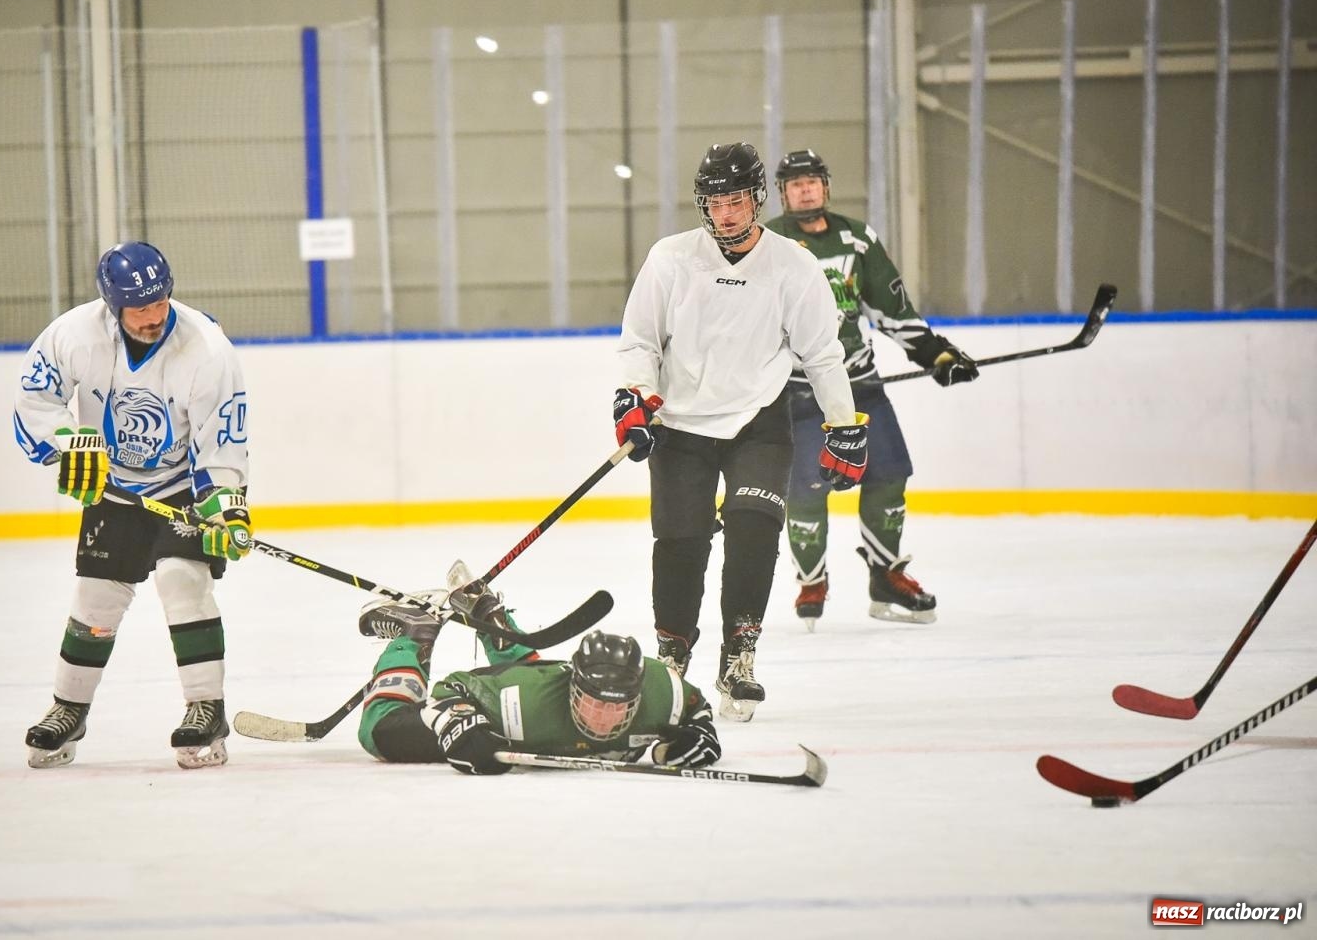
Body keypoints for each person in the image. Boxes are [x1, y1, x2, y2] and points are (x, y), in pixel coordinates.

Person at [615, 142, 867, 722]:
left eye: (735, 200)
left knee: (754, 534)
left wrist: (843, 425)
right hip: (680, 424)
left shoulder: (792, 265)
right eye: (714, 202)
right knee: (681, 543)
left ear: (756, 199)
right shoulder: (671, 258)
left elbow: (823, 354)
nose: (725, 214)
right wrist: (634, 397)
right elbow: (640, 340)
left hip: (759, 422)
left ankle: (739, 656)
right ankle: (672, 661)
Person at [12, 240, 252, 769]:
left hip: (181, 486)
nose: (153, 315)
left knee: (181, 581)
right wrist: (68, 443)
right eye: (140, 307)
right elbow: (35, 400)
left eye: (161, 301)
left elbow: (223, 437)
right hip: (113, 486)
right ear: (112, 303)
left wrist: (226, 506)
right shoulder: (74, 334)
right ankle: (67, 709)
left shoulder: (207, 347)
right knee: (96, 599)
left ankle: (205, 708)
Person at [764, 149, 979, 631]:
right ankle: (811, 580)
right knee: (805, 490)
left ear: (826, 185)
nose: (804, 189)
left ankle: (885, 575)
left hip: (859, 382)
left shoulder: (857, 240)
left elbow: (892, 307)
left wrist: (935, 353)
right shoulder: (769, 243)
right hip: (796, 391)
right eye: (794, 183)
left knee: (888, 473)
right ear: (781, 192)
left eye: (812, 181)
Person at [353, 562, 722, 775]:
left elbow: (696, 709)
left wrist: (700, 734)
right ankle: (413, 633)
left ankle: (486, 614)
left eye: (616, 707)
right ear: (575, 687)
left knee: (527, 685)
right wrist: (459, 723)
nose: (603, 719)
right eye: (595, 702)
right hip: (500, 710)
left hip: (530, 700)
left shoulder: (662, 692)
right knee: (382, 732)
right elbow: (453, 689)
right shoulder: (520, 699)